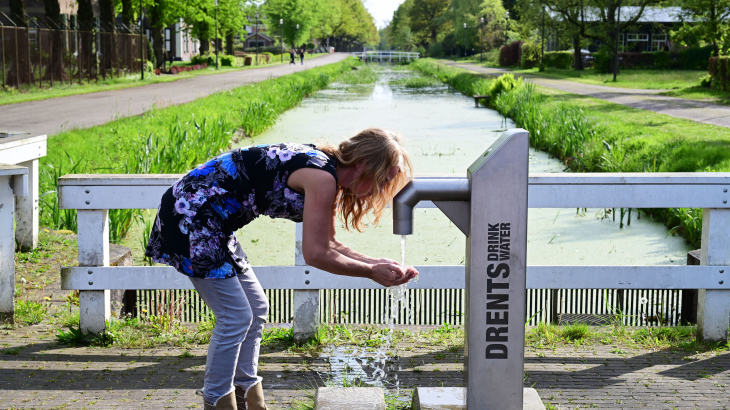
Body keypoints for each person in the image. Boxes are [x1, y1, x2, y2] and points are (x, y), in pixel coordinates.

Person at [145, 128, 419, 410]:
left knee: (256, 308)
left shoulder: (329, 173)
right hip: (192, 215)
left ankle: (249, 400)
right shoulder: (322, 177)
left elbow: (331, 242)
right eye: (383, 178)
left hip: (213, 222)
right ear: (363, 163)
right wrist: (370, 273)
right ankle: (216, 402)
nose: (382, 189)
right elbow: (316, 254)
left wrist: (377, 264)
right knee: (235, 317)